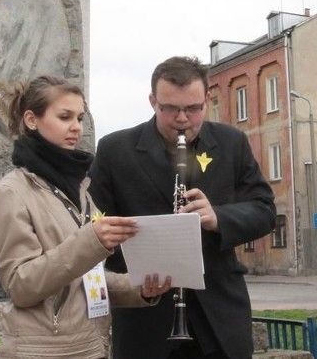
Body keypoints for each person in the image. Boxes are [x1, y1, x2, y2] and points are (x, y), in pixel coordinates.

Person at [89, 55, 277, 359]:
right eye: (170, 109)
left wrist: (218, 217)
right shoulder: (115, 149)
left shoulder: (231, 142)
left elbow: (265, 210)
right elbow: (93, 221)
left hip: (219, 316)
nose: (182, 119)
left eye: (193, 109)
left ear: (207, 99)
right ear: (153, 101)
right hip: (146, 320)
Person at [0, 75, 172, 359]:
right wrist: (90, 241)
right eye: (65, 117)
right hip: (40, 352)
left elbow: (87, 278)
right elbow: (21, 286)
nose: (76, 127)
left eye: (79, 117)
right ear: (31, 120)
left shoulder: (80, 189)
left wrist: (140, 288)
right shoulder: (12, 191)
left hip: (89, 347)